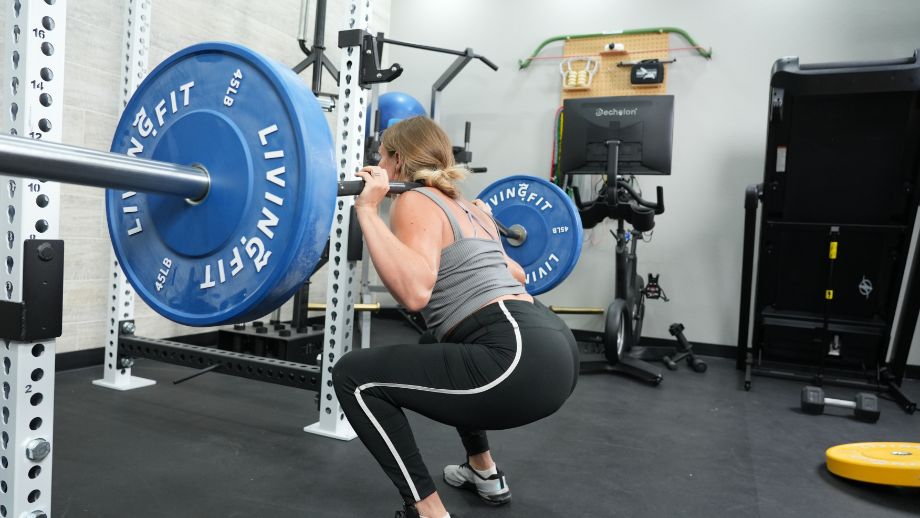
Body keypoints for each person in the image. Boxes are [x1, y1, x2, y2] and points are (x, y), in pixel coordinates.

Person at [332, 116, 579, 518]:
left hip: (515, 356)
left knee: (353, 376)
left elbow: (414, 294)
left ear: (396, 160)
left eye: (381, 155)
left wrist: (367, 208)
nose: (378, 162)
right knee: (437, 344)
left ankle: (428, 511)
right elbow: (514, 274)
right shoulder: (474, 208)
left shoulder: (416, 199)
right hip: (554, 348)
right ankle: (484, 471)